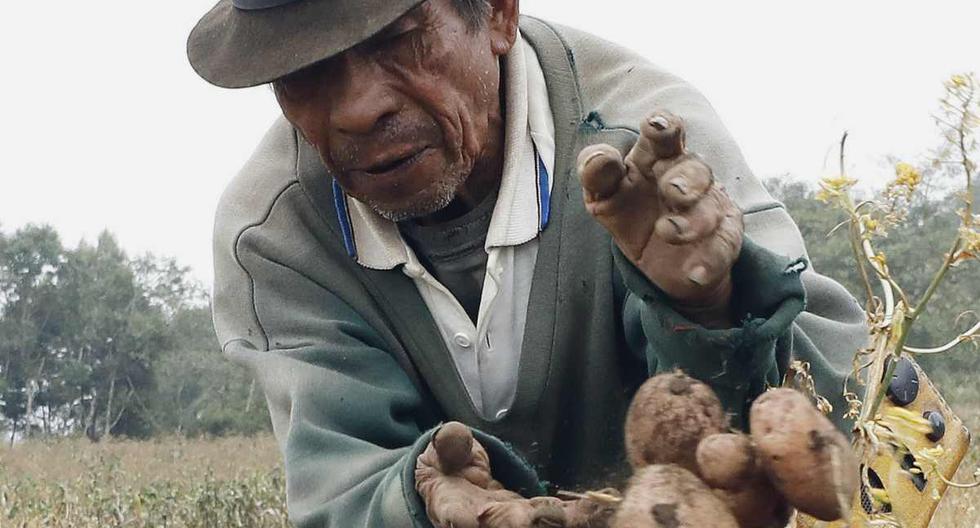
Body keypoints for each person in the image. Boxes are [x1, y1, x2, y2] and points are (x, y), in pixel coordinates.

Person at [187, 0, 869, 526]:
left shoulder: (647, 151)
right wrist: (417, 499)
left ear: (499, 13)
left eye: (398, 40)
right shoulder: (273, 237)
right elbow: (341, 483)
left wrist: (703, 308)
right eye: (305, 72)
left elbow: (820, 397)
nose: (360, 109)